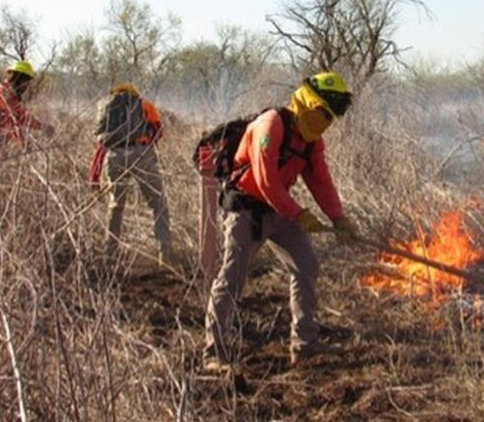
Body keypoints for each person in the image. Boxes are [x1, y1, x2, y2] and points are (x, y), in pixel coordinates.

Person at [203, 71, 360, 369]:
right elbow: (265, 181)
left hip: (279, 210)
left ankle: (305, 344)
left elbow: (321, 182)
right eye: (322, 114)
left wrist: (339, 219)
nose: (324, 123)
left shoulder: (313, 143)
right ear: (307, 103)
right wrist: (299, 214)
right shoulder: (270, 125)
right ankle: (214, 353)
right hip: (247, 210)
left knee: (306, 265)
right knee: (233, 276)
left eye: (330, 119)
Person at [93, 83, 175, 265]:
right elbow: (158, 131)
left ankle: (110, 253)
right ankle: (165, 253)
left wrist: (94, 178)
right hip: (141, 154)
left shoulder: (107, 110)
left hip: (114, 156)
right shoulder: (144, 105)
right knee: (158, 203)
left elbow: (100, 147)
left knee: (116, 206)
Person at [0, 60, 53, 160]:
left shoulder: (6, 93)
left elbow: (15, 120)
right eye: (26, 82)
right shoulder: (2, 93)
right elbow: (19, 119)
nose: (26, 87)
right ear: (19, 79)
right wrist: (41, 128)